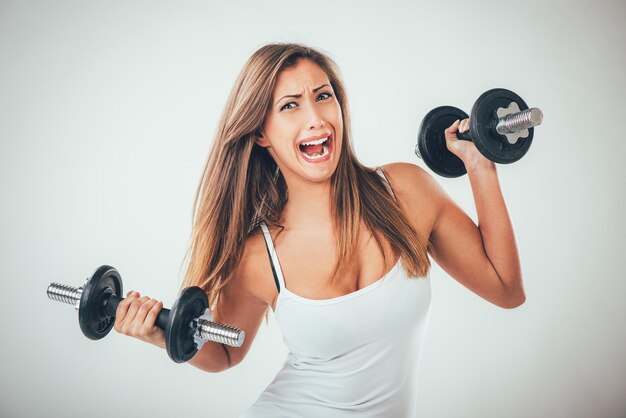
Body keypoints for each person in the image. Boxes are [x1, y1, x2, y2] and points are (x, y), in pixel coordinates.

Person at [113, 43, 525, 417]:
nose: (315, 118)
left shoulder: (407, 192)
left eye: (323, 96)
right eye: (290, 106)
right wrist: (157, 332)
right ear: (260, 132)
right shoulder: (260, 255)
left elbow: (506, 288)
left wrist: (480, 161)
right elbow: (223, 352)